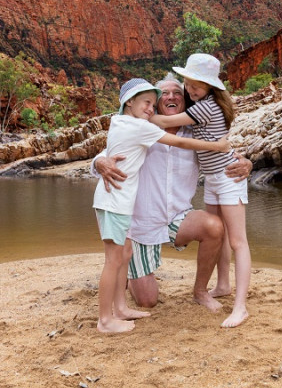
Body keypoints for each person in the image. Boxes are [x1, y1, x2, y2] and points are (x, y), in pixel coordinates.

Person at [94, 74, 252, 315]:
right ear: (155, 104)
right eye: (164, 93)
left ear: (185, 101)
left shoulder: (197, 133)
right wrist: (99, 163)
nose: (171, 96)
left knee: (213, 226)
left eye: (177, 93)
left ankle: (200, 291)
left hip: (178, 217)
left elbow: (222, 153)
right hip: (140, 225)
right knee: (147, 300)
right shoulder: (141, 130)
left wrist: (247, 163)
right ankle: (125, 276)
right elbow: (107, 153)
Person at [149, 54, 250, 328]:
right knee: (222, 233)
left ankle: (240, 307)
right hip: (215, 181)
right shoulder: (201, 111)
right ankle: (224, 285)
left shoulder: (202, 110)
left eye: (196, 85)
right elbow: (214, 143)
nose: (191, 89)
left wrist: (138, 114)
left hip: (227, 177)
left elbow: (163, 124)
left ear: (210, 87)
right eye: (188, 84)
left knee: (237, 240)